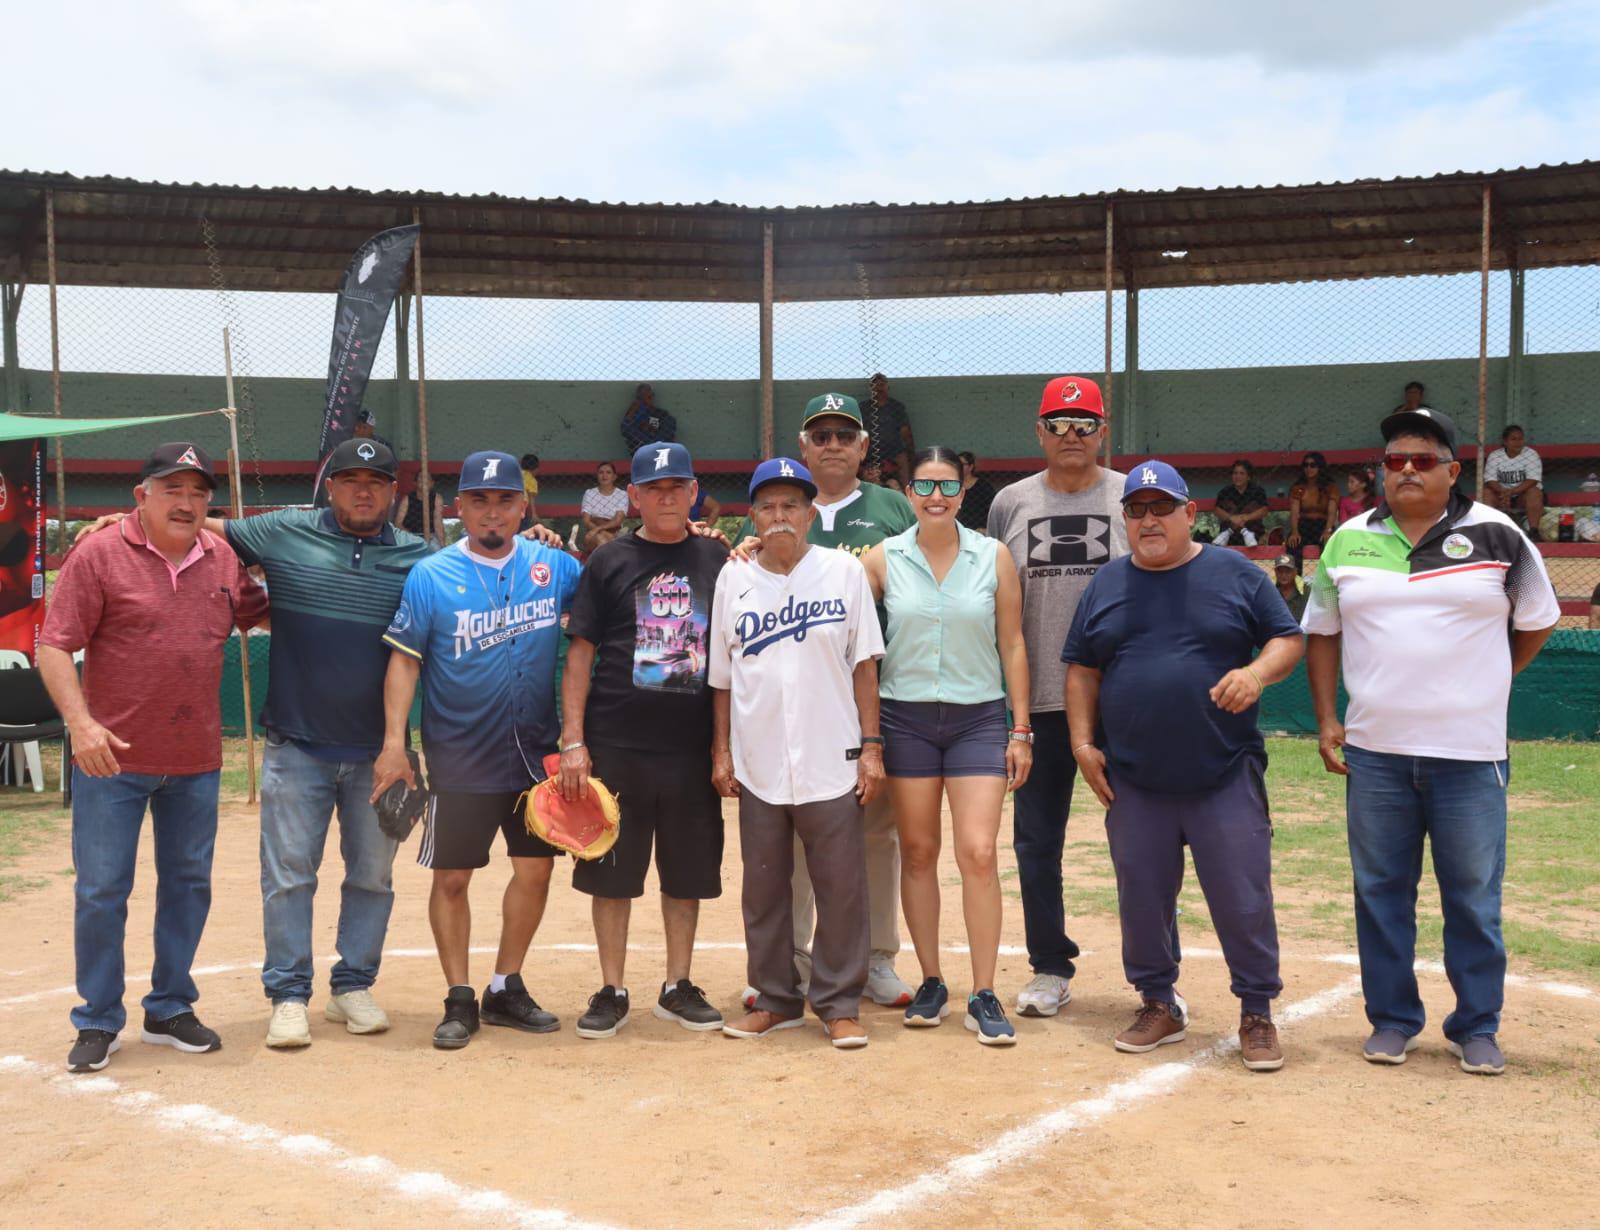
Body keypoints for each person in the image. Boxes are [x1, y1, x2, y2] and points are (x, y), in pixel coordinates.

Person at [1304, 407, 1560, 1076]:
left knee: (1473, 898)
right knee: (1381, 891)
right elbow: (1322, 632)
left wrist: (1491, 674)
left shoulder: (1498, 533)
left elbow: (1536, 620)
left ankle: (1476, 1027)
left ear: (1453, 469)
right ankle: (1391, 1020)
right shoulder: (1346, 540)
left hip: (1471, 756)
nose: (1408, 470)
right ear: (1380, 473)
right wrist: (1329, 718)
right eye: (1395, 461)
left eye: (1423, 459)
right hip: (1377, 754)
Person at [1065, 460, 1302, 1070]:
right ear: (1124, 519)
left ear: (1189, 514)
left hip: (1222, 767)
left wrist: (1254, 674)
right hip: (1134, 774)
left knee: (1242, 895)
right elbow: (1082, 669)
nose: (1149, 520)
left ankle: (1256, 1012)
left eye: (1161, 508)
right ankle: (1157, 1003)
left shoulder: (1233, 572)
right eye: (1136, 510)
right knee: (1141, 894)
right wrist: (1083, 743)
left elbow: (1288, 639)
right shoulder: (1107, 582)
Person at [41, 443, 268, 1073]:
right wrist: (81, 726)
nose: (188, 503)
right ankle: (98, 1019)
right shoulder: (99, 552)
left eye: (199, 492)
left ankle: (169, 1007)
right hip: (110, 758)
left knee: (188, 887)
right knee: (103, 890)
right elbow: (55, 647)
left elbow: (260, 609)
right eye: (173, 490)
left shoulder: (224, 558)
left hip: (195, 759)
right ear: (140, 497)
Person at [221, 438, 439, 1049]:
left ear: (395, 492)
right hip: (297, 747)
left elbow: (485, 566)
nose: (362, 490)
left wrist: (546, 542)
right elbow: (201, 528)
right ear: (330, 486)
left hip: (382, 753)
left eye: (376, 480)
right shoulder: (281, 533)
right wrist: (125, 520)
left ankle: (352, 986)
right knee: (289, 877)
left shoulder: (422, 559)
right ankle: (289, 996)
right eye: (349, 479)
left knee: (372, 878)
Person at [375, 451, 581, 1049]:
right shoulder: (431, 575)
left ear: (523, 506)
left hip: (534, 757)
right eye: (479, 501)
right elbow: (404, 661)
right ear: (457, 508)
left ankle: (505, 985)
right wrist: (395, 744)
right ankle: (459, 995)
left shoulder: (555, 567)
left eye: (505, 501)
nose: (492, 513)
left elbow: (616, 588)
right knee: (453, 879)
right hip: (460, 756)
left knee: (536, 873)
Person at [732, 392, 917, 1009]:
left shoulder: (893, 506)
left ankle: (878, 957)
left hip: (874, 687)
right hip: (791, 696)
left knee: (873, 832)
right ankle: (793, 960)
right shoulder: (772, 512)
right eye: (821, 435)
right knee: (788, 831)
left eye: (846, 435)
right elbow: (741, 576)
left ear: (865, 447)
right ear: (803, 448)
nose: (833, 444)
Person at [860, 447, 1032, 1045]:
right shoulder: (882, 558)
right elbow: (825, 589)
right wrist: (751, 549)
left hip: (978, 719)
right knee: (917, 850)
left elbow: (1012, 643)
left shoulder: (994, 557)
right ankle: (932, 979)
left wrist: (1021, 728)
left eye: (948, 485)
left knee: (979, 853)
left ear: (965, 489)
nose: (937, 496)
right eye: (925, 485)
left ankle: (983, 991)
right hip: (903, 718)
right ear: (907, 491)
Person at [712, 458, 884, 1050]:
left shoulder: (842, 572)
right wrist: (721, 752)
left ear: (810, 513)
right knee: (763, 889)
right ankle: (777, 999)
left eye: (792, 505)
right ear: (752, 516)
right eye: (768, 506)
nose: (780, 515)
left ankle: (838, 1003)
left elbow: (864, 666)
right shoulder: (732, 579)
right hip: (759, 761)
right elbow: (721, 678)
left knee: (841, 888)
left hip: (831, 756)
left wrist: (871, 747)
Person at [559, 441, 729, 1039]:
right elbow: (579, 655)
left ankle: (677, 985)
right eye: (652, 488)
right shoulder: (607, 562)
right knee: (612, 873)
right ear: (632, 496)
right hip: (616, 745)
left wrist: (721, 749)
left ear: (692, 494)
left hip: (689, 747)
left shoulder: (719, 559)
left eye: (675, 487)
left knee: (686, 874)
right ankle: (612, 988)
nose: (665, 497)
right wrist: (574, 739)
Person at [984, 375, 1128, 1018]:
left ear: (1104, 430)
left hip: (1122, 700)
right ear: (1039, 432)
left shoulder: (1133, 497)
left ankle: (1157, 972)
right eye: (1059, 426)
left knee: (1140, 837)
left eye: (1085, 425)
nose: (1072, 437)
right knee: (1036, 843)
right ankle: (1049, 967)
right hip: (1037, 700)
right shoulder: (1010, 504)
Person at [1484, 424, 1546, 541]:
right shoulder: (1496, 456)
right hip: (1502, 495)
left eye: (1520, 439)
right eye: (1513, 439)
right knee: (1486, 493)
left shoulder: (1530, 454)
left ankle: (1533, 532)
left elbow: (1533, 480)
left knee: (1534, 491)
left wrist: (1512, 492)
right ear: (1505, 441)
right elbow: (1490, 480)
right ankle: (1490, 532)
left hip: (1523, 496)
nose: (1518, 442)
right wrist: (1504, 492)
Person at [1287, 451, 1337, 569]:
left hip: (1323, 524)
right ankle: (1296, 578)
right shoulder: (1298, 487)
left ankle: (1326, 578)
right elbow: (1294, 512)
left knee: (1329, 544)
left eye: (1313, 465)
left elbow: (1332, 512)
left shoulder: (1330, 487)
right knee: (1293, 543)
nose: (1309, 468)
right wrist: (1294, 532)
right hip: (1303, 524)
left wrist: (1328, 530)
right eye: (1306, 465)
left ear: (1320, 467)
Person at [861, 372, 914, 484]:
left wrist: (911, 451)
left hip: (894, 449)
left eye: (882, 384)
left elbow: (905, 432)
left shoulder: (896, 406)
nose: (879, 388)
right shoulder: (864, 407)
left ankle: (907, 493)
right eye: (875, 385)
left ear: (887, 387)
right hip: (870, 449)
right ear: (871, 388)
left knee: (903, 461)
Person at [1212, 459, 1269, 547]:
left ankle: (1248, 535)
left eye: (1242, 473)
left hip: (1254, 532)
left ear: (1248, 476)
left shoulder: (1257, 491)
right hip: (1230, 534)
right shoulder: (1225, 491)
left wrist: (1246, 517)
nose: (1238, 476)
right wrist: (1232, 518)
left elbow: (1264, 510)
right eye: (1235, 473)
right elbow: (1217, 510)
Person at [580, 461, 629, 552]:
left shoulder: (622, 494)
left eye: (608, 472)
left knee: (603, 541)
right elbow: (586, 520)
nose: (604, 475)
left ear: (614, 477)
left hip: (612, 531)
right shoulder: (590, 493)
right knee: (601, 539)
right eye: (601, 472)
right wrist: (599, 531)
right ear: (597, 476)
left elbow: (617, 521)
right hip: (592, 532)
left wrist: (599, 529)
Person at [392, 475, 447, 550]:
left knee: (436, 552)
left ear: (432, 483)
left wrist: (442, 545)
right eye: (420, 478)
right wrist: (412, 537)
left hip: (431, 536)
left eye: (427, 478)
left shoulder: (437, 498)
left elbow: (438, 523)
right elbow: (398, 523)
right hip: (410, 535)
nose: (424, 480)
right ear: (415, 483)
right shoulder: (407, 499)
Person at [620, 383, 678, 453]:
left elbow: (654, 428)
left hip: (652, 437)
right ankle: (653, 445)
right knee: (626, 426)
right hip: (640, 437)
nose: (649, 397)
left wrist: (649, 424)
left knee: (669, 420)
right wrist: (637, 408)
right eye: (645, 394)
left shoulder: (655, 412)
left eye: (650, 395)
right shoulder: (635, 406)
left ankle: (656, 444)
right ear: (640, 395)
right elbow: (626, 425)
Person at [955, 451, 997, 532]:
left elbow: (993, 508)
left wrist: (986, 528)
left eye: (962, 464)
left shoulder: (983, 486)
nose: (959, 467)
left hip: (979, 529)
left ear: (971, 467)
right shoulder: (953, 485)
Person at [1272, 553, 1308, 621]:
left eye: (1288, 571)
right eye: (1280, 571)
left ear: (1295, 572)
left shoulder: (1305, 591)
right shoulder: (1270, 591)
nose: (1283, 575)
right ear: (1275, 572)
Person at [518, 452, 541, 531]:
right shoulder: (531, 479)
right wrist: (534, 514)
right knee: (523, 526)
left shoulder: (517, 474)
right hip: (522, 507)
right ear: (536, 469)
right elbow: (531, 497)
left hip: (512, 504)